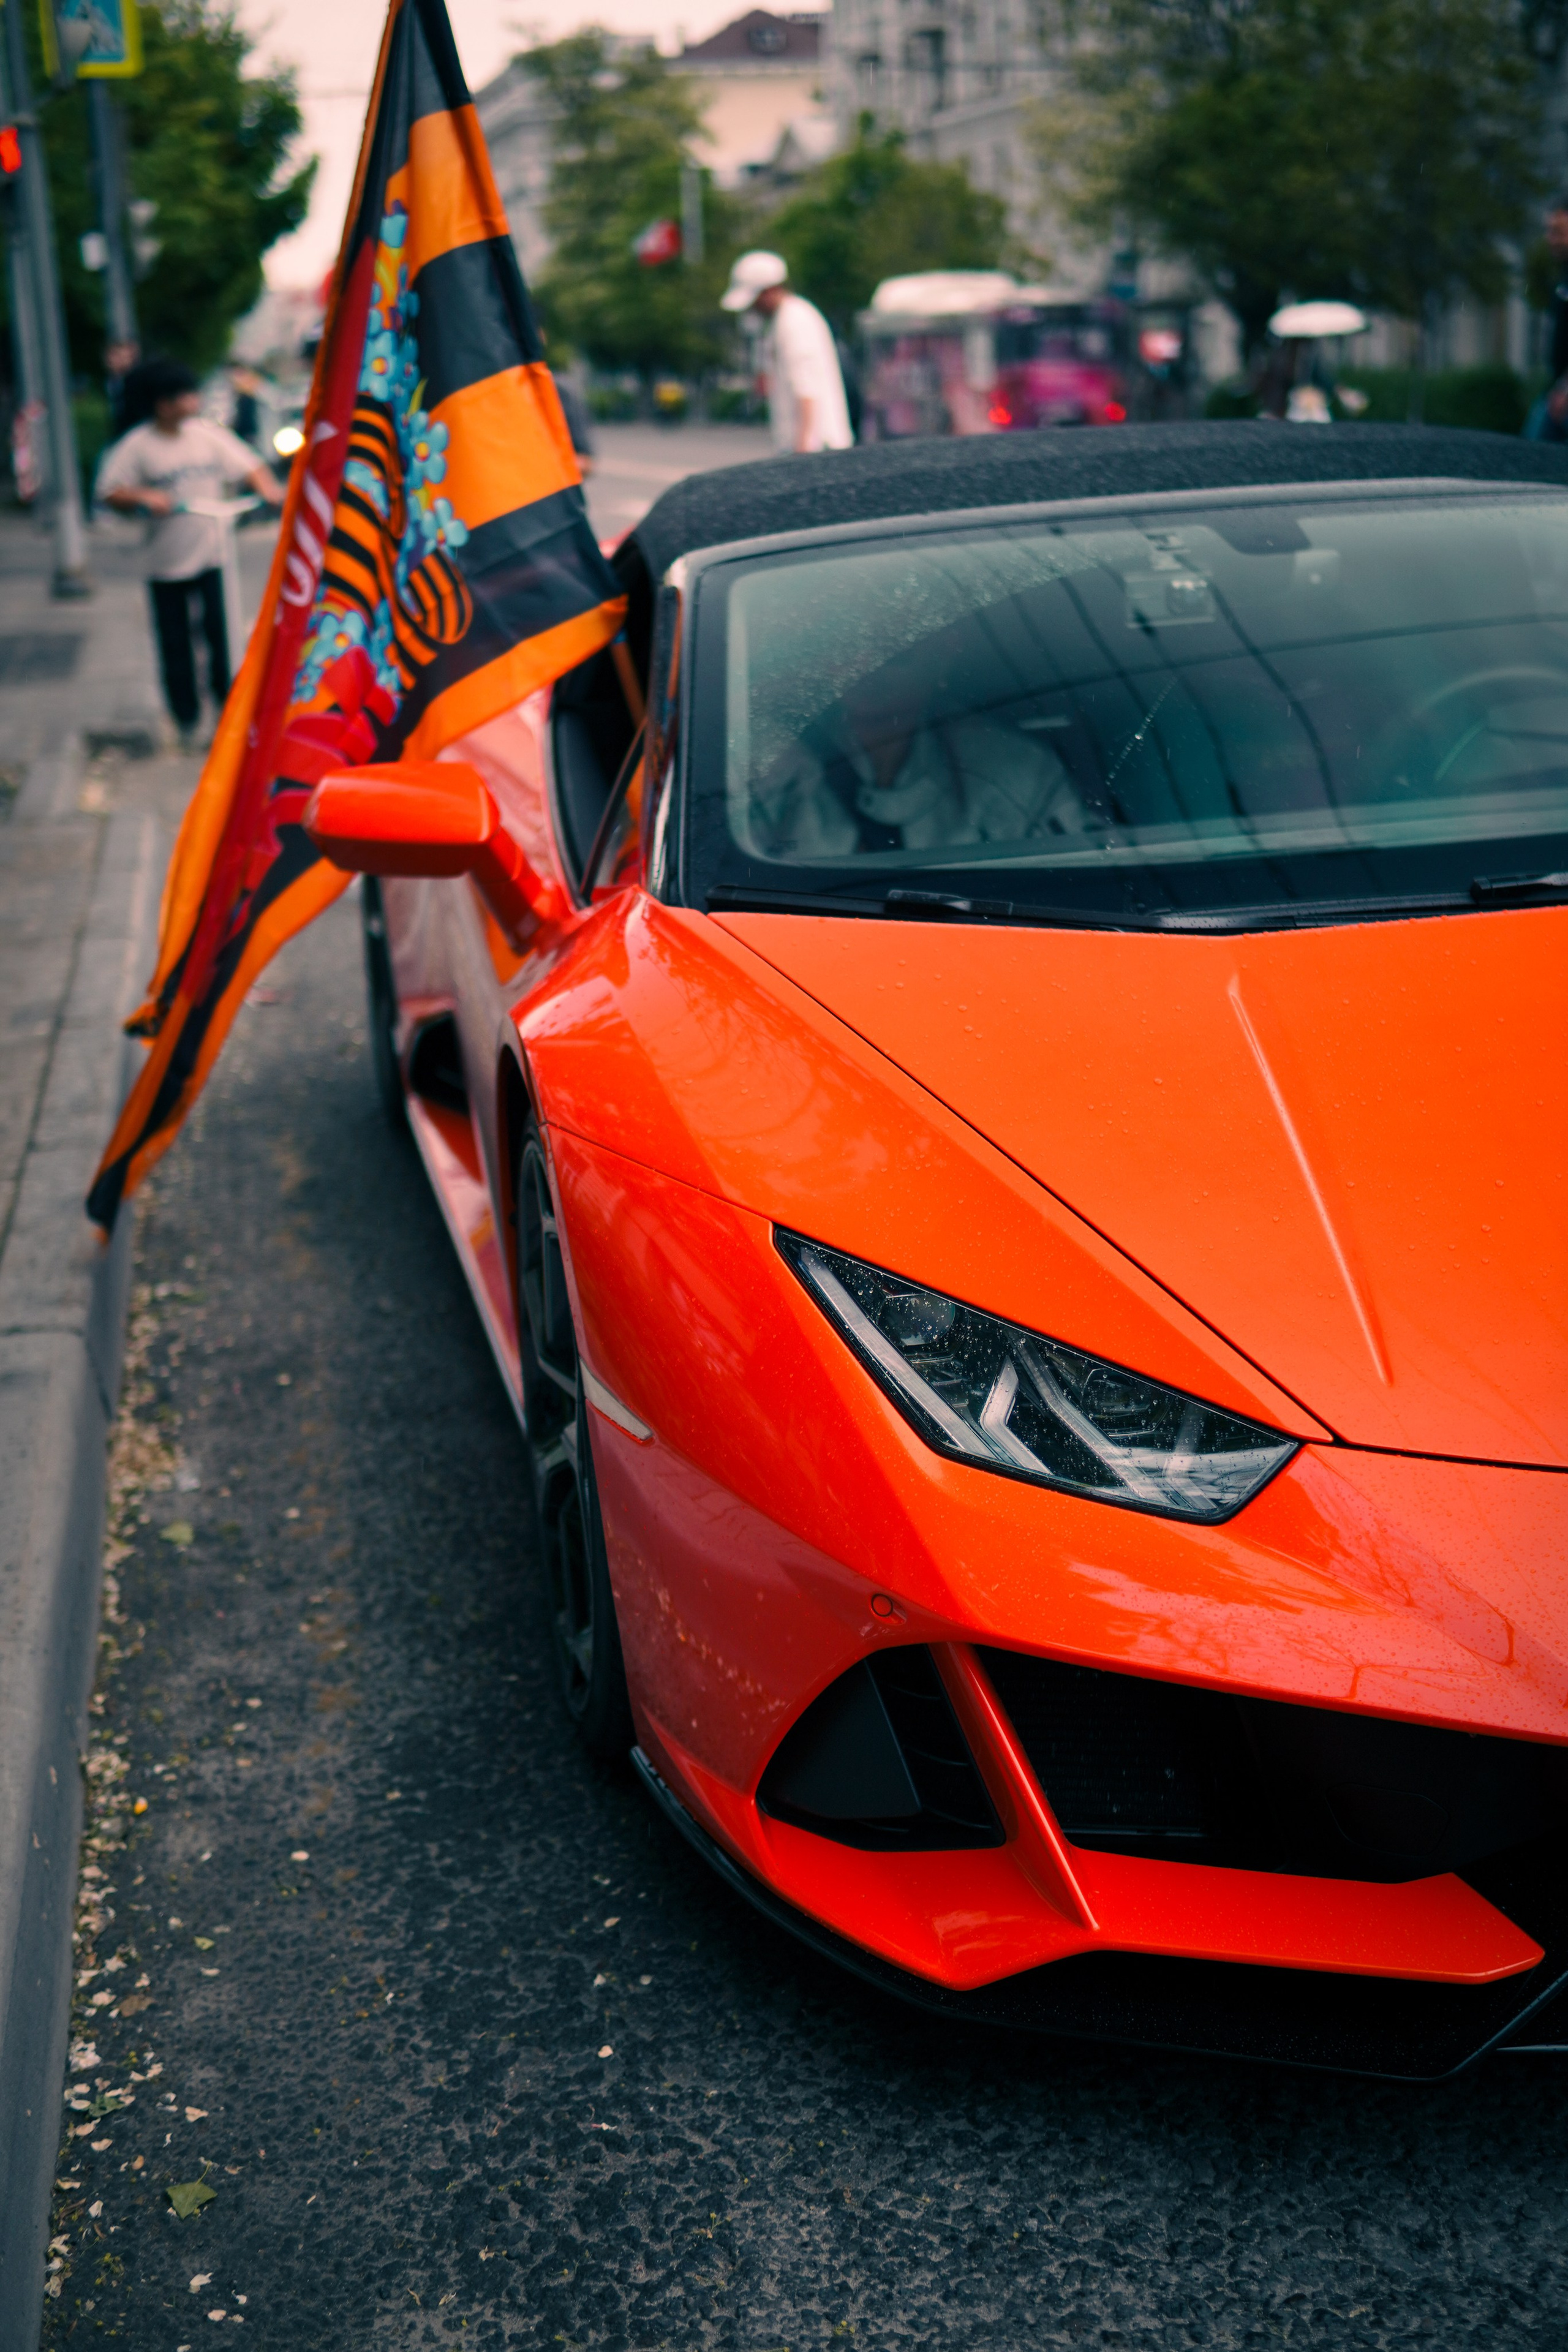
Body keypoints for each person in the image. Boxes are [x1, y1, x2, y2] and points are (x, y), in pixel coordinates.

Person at [97, 360, 284, 750]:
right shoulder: (138, 445)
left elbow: (250, 465)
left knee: (222, 637)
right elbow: (110, 490)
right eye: (183, 396)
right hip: (166, 563)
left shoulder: (206, 435)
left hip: (214, 557)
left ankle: (227, 714)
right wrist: (144, 496)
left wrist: (268, 490)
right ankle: (186, 718)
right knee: (176, 643)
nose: (192, 401)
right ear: (162, 404)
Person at [748, 645, 1087, 859]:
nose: (865, 664)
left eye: (893, 651)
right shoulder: (768, 760)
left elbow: (1072, 876)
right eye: (848, 645)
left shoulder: (1015, 767)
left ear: (943, 654)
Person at [720, 251, 853, 455]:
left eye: (755, 299)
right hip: (809, 446)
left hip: (815, 447)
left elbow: (807, 387)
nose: (753, 307)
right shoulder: (781, 320)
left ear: (769, 290)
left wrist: (804, 446)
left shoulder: (795, 321)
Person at [1529, 197, 1568, 442]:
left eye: (1558, 232)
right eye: (1549, 231)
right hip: (1556, 389)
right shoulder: (1562, 276)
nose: (1550, 239)